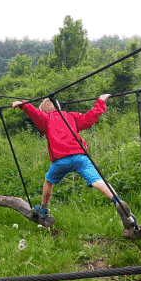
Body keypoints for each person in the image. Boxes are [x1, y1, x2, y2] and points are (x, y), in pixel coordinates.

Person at [12, 94, 125, 223]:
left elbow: (35, 114)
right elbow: (90, 117)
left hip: (61, 161)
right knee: (97, 180)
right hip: (80, 157)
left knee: (49, 181)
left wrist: (23, 104)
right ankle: (117, 200)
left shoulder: (47, 118)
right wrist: (101, 101)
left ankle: (44, 208)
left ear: (46, 110)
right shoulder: (72, 116)